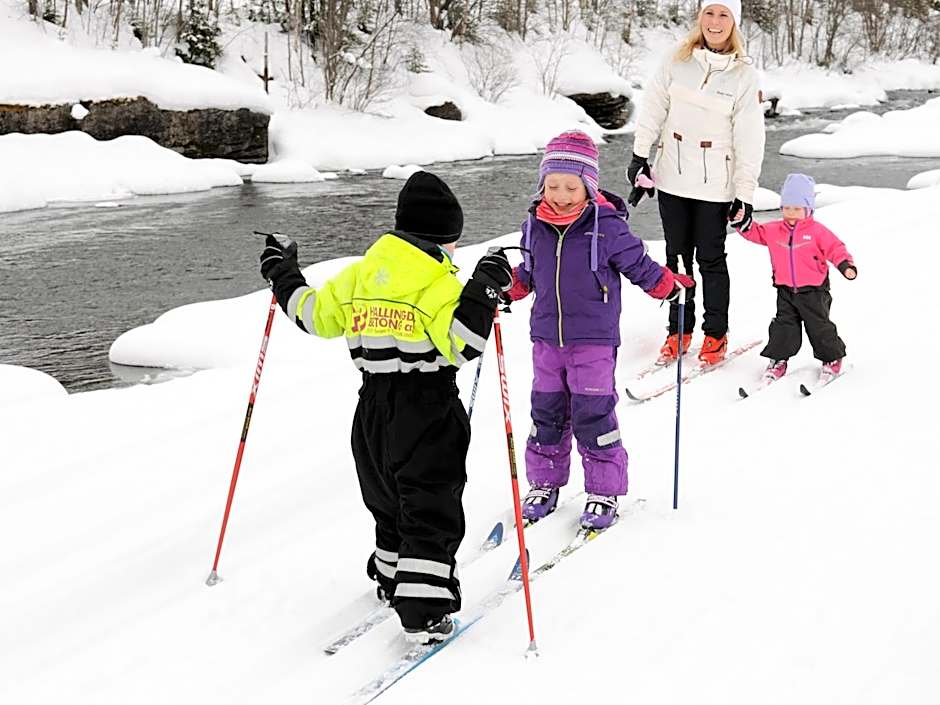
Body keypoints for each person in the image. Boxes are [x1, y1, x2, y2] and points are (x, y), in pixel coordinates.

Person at [258, 171, 512, 644]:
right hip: (429, 405)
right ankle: (423, 607)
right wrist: (484, 289)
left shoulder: (358, 276)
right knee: (428, 500)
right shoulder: (438, 286)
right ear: (442, 241)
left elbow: (312, 316)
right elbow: (465, 344)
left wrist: (282, 272)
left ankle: (393, 575)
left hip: (372, 405)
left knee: (387, 496)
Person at [504, 130, 694, 529]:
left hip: (593, 340)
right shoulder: (533, 225)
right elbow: (528, 273)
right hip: (546, 339)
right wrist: (506, 288)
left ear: (588, 186)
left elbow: (638, 264)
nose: (560, 194)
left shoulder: (606, 226)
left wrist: (666, 286)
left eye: (571, 186)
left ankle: (604, 489)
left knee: (593, 414)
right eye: (552, 185)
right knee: (547, 413)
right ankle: (544, 482)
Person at [628, 0, 766, 366]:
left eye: (724, 15)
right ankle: (678, 331)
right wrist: (640, 155)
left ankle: (715, 336)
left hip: (714, 185)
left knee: (710, 259)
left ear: (734, 22)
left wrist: (744, 194)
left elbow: (750, 138)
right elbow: (654, 106)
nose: (715, 22)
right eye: (709, 13)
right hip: (672, 176)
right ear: (699, 17)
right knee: (676, 258)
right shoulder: (677, 58)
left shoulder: (743, 75)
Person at [733, 173, 856, 379]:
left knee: (819, 326)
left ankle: (832, 357)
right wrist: (742, 223)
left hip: (814, 290)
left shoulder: (817, 232)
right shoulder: (774, 230)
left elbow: (835, 248)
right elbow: (756, 233)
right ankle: (778, 360)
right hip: (785, 289)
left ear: (808, 209)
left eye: (797, 209)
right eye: (787, 208)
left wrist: (845, 265)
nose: (791, 213)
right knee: (783, 326)